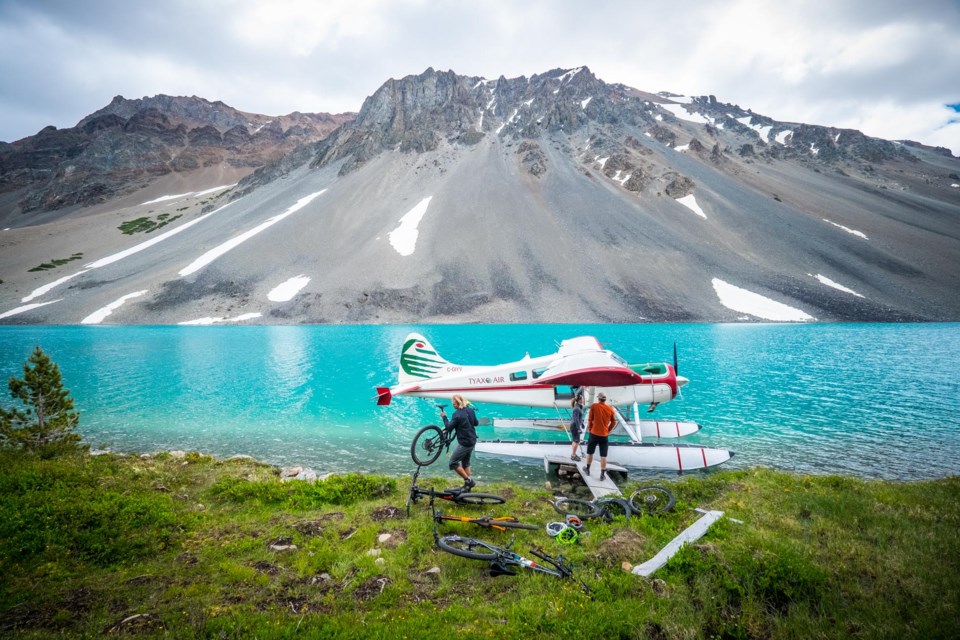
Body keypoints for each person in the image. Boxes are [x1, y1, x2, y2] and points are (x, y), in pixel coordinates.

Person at [440, 394, 479, 490]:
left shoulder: (456, 414)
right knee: (465, 463)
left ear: (457, 404)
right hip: (472, 440)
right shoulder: (470, 410)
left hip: (464, 443)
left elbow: (449, 428)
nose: (453, 405)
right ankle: (467, 486)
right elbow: (476, 423)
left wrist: (444, 417)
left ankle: (469, 481)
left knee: (453, 462)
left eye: (453, 404)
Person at [584, 392, 616, 481]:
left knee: (590, 452)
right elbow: (614, 422)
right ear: (605, 400)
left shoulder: (594, 406)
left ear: (598, 399)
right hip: (604, 435)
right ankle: (602, 475)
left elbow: (590, 419)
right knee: (603, 455)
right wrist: (608, 430)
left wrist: (590, 429)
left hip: (594, 434)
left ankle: (587, 469)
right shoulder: (610, 409)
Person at [569, 391, 585, 461]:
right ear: (580, 399)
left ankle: (573, 453)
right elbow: (576, 419)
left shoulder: (579, 407)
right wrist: (579, 428)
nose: (583, 399)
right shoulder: (576, 408)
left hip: (574, 425)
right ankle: (573, 455)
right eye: (582, 398)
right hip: (575, 426)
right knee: (577, 441)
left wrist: (582, 424)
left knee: (574, 440)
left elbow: (579, 418)